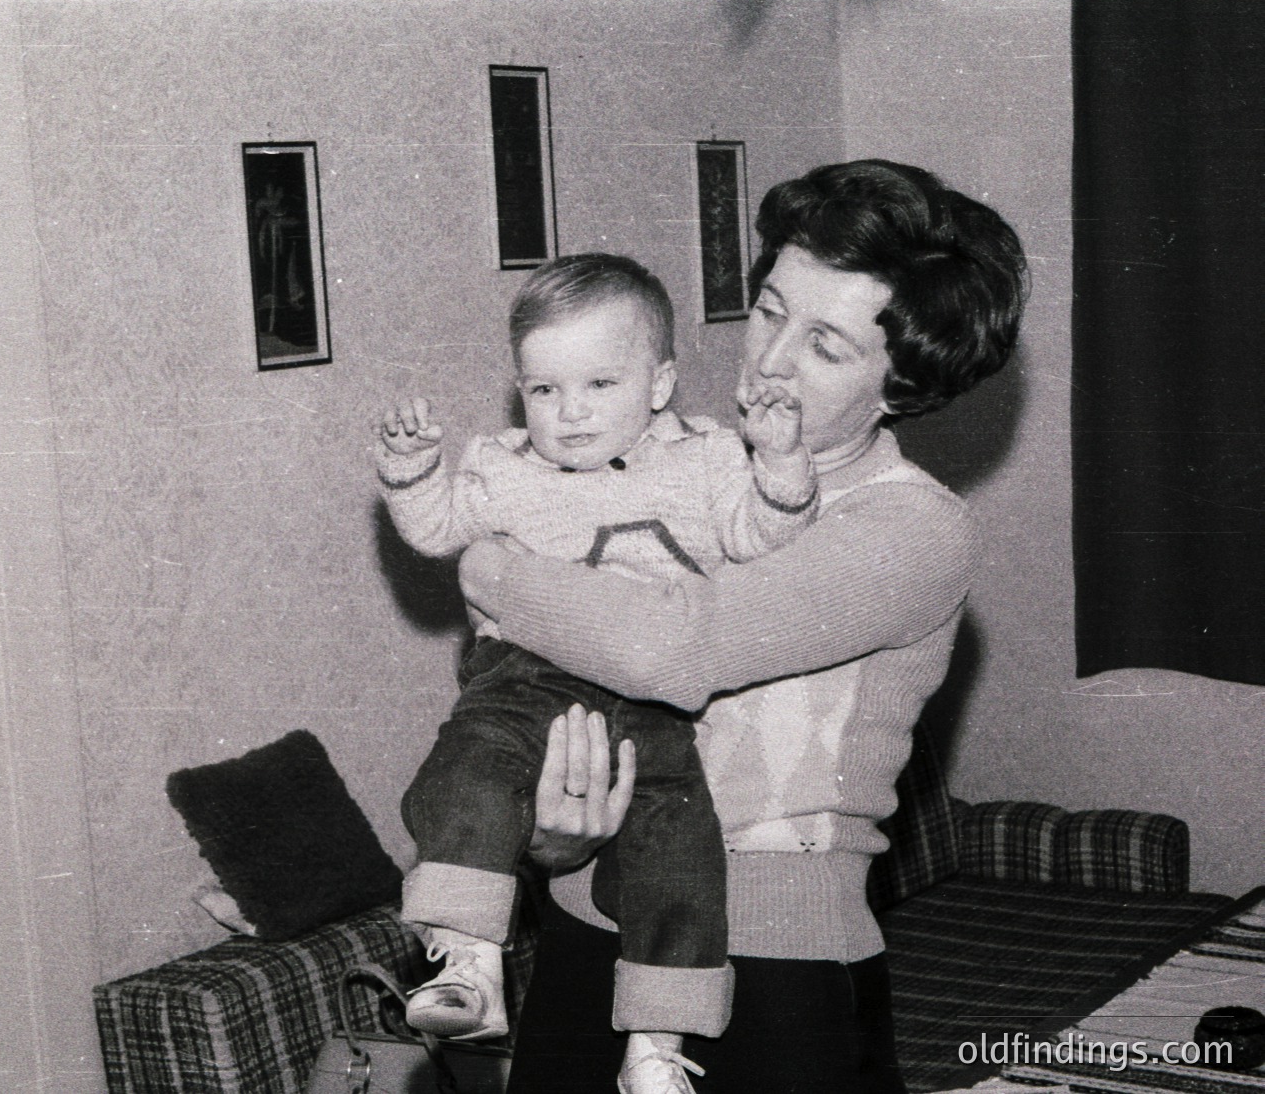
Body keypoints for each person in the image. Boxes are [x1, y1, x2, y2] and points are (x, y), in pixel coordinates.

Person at [459, 159, 1028, 1094]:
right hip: (582, 933)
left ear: (903, 386)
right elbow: (519, 681)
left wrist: (484, 561)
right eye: (769, 311)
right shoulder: (659, 463)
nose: (768, 360)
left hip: (772, 964)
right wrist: (549, 837)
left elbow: (669, 648)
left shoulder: (914, 528)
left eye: (825, 345)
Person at [377, 253, 818, 1091]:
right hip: (525, 678)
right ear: (520, 393)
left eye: (599, 386)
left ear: (659, 385)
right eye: (544, 391)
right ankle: (469, 958)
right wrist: (413, 470)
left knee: (682, 857)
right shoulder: (505, 466)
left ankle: (657, 1047)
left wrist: (783, 463)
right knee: (467, 776)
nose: (569, 413)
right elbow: (437, 530)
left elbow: (766, 539)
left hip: (653, 705)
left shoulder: (709, 458)